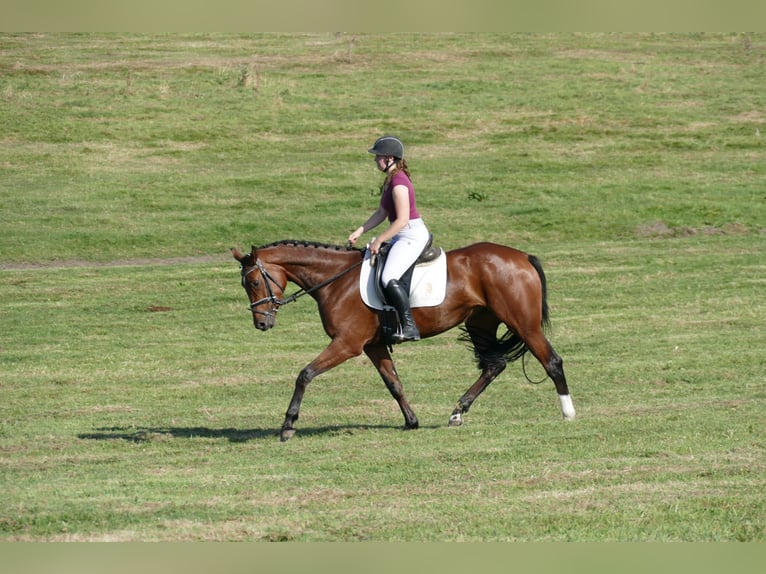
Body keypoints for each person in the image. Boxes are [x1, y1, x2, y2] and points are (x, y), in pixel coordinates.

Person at [348, 135, 430, 343]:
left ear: (390, 158)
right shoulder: (390, 180)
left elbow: (402, 220)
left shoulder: (399, 183)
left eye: (378, 157)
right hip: (401, 233)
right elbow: (381, 213)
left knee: (388, 277)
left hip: (411, 234)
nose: (375, 160)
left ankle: (410, 326)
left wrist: (379, 240)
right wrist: (360, 231)